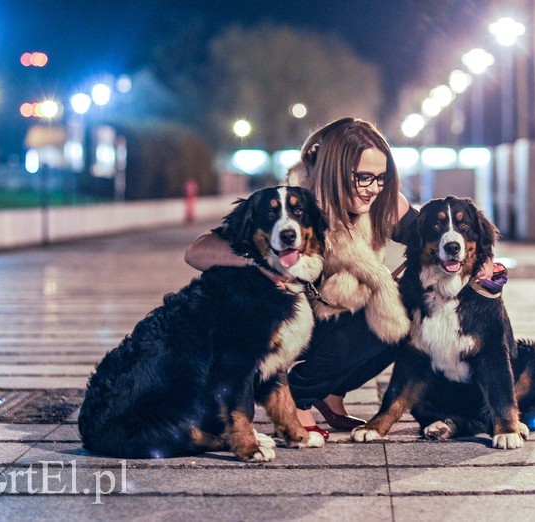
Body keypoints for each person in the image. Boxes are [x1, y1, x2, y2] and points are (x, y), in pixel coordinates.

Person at [185, 117, 491, 438]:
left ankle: (330, 393)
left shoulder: (381, 204)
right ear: (334, 171)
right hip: (293, 326)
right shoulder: (297, 203)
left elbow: (431, 233)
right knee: (383, 310)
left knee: (405, 313)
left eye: (381, 178)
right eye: (363, 177)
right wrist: (262, 262)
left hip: (339, 318)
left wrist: (482, 258)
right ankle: (300, 395)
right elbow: (197, 251)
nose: (373, 188)